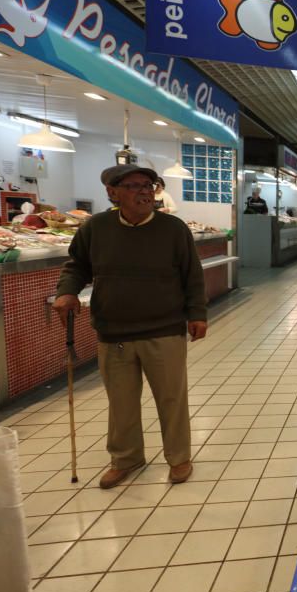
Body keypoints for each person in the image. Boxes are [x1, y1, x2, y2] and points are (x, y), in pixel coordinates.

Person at [52, 164, 208, 489]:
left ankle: (179, 458)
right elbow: (77, 266)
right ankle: (126, 458)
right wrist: (66, 292)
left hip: (164, 329)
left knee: (171, 399)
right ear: (112, 192)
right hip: (114, 331)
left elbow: (192, 276)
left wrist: (197, 314)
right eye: (135, 186)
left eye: (149, 185)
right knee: (120, 402)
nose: (144, 191)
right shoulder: (96, 228)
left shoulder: (173, 229)